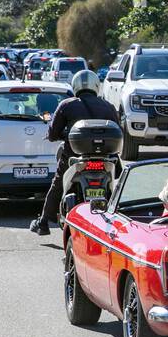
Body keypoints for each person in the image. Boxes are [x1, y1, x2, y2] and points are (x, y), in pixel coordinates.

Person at [31, 69, 117, 235]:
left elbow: (52, 134)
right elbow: (118, 130)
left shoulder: (67, 105)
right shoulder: (108, 106)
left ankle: (43, 223)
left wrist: (64, 134)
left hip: (74, 156)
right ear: (96, 86)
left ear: (75, 86)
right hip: (105, 158)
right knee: (116, 186)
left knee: (57, 183)